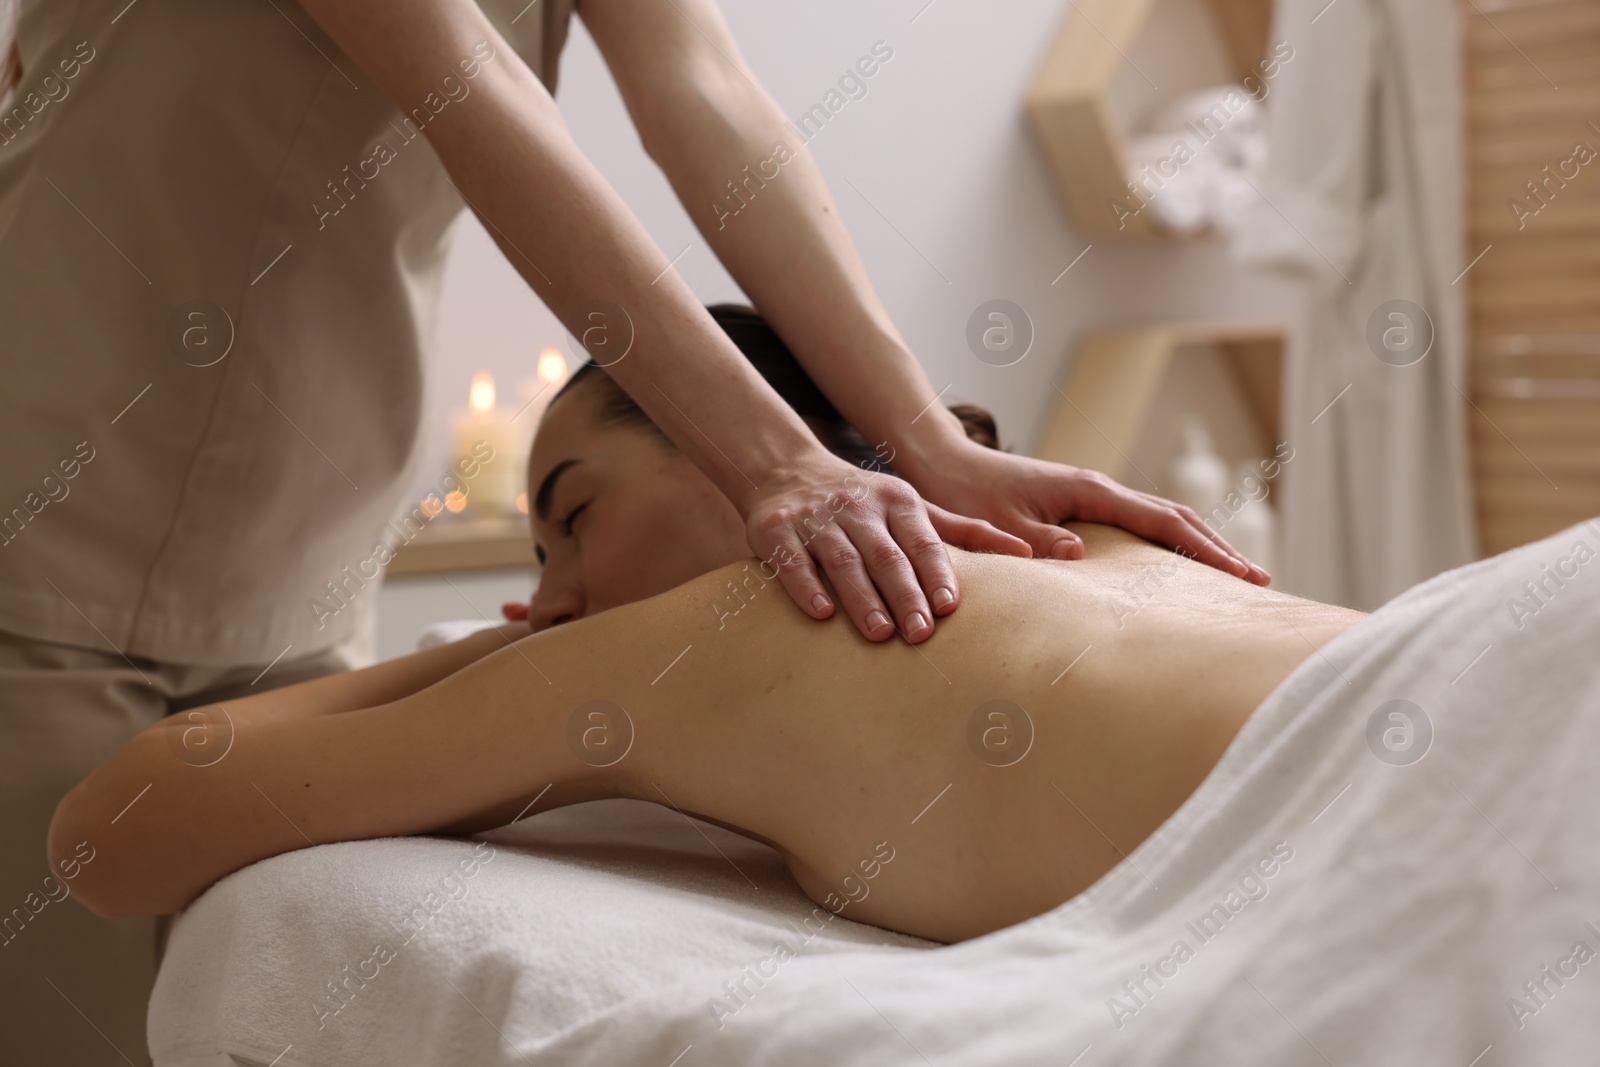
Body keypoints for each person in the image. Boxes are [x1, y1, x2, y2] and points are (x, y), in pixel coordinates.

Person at [0, 2, 1261, 1060]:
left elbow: (706, 97)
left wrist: (928, 442)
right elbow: (472, 87)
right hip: (50, 498)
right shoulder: (691, 651)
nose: (548, 602)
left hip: (300, 536)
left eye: (572, 528)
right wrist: (776, 462)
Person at [51, 307, 1361, 948]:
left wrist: (527, 644)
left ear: (762, 453)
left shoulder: (715, 636)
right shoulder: (1089, 539)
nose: (547, 592)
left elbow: (114, 828)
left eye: (571, 515)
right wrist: (558, 612)